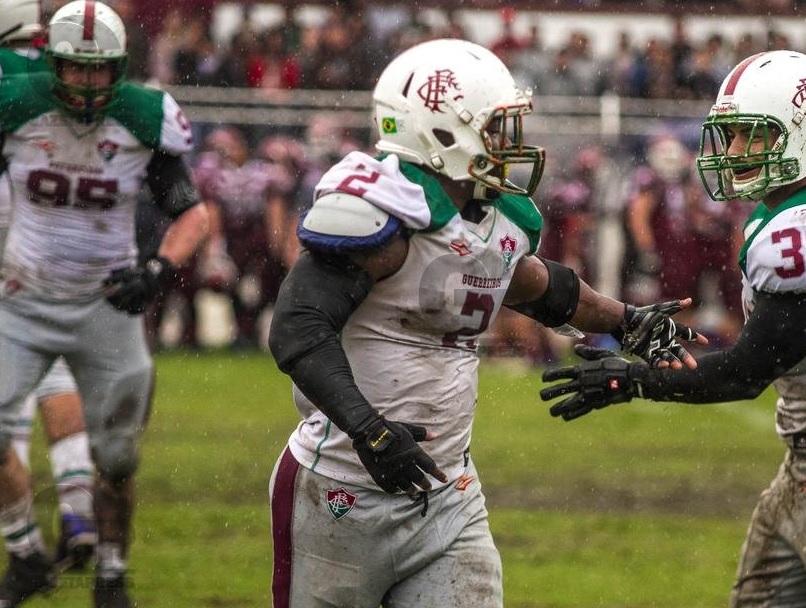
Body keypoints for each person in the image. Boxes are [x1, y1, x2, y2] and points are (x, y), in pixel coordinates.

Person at [267, 38, 704, 608]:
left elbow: (533, 283)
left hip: (449, 492)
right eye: (496, 127)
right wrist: (369, 430)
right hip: (339, 490)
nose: (509, 143)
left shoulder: (490, 219)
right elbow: (297, 328)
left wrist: (628, 322)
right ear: (443, 132)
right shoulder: (379, 211)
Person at [540, 49, 806, 608]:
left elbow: (743, 375)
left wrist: (630, 380)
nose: (732, 153)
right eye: (730, 136)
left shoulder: (796, 234)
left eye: (751, 137)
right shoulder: (778, 212)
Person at [0, 2, 209, 607]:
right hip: (21, 299)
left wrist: (159, 268)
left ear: (118, 69)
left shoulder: (145, 117)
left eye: (100, 72)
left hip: (106, 305)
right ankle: (24, 555)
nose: (88, 85)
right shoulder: (17, 103)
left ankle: (112, 574)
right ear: (53, 63)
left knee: (117, 456)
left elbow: (192, 212)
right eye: (75, 70)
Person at [0, 0, 97, 574]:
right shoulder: (67, 71)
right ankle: (80, 512)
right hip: (64, 235)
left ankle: (23, 547)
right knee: (56, 374)